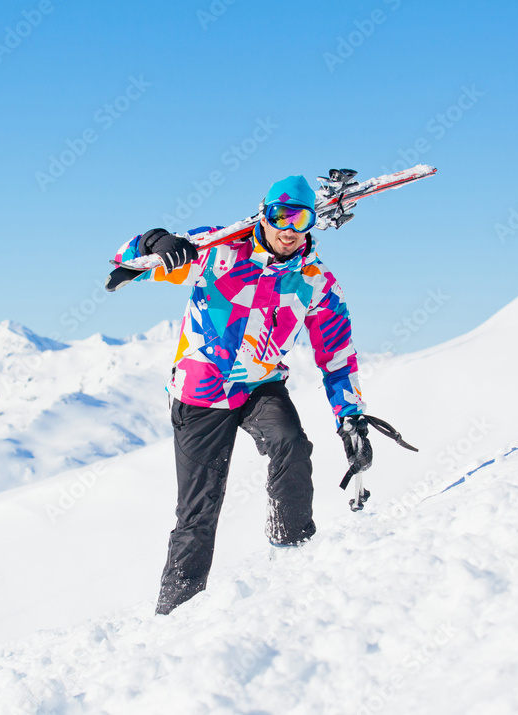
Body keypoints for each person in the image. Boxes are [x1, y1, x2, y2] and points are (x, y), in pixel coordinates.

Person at [113, 175, 374, 615]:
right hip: (202, 394)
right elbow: (131, 257)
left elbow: (337, 355)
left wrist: (350, 415)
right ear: (264, 212)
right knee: (199, 512)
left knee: (291, 444)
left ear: (313, 223)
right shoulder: (218, 251)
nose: (288, 228)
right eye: (280, 215)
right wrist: (156, 241)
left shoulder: (316, 281)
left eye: (301, 217)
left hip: (260, 385)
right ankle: (175, 615)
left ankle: (292, 553)